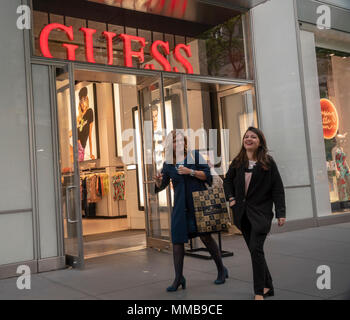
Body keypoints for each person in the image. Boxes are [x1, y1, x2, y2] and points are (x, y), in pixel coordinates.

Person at [155, 130, 228, 292]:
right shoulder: (168, 164)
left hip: (198, 204)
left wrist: (191, 172)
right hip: (180, 207)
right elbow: (163, 185)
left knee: (206, 237)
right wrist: (158, 181)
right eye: (175, 141)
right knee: (177, 241)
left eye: (181, 140)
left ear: (185, 142)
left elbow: (207, 176)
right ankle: (178, 278)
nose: (179, 143)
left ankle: (221, 269)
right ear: (170, 145)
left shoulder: (194, 156)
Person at [223, 127, 286, 300]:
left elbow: (277, 189)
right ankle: (269, 287)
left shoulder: (268, 162)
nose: (249, 139)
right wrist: (231, 198)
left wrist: (281, 212)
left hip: (261, 214)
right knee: (254, 251)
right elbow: (227, 181)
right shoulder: (237, 162)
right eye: (246, 136)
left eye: (253, 137)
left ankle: (259, 291)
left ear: (260, 142)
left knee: (256, 250)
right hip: (242, 214)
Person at [77, 87, 95, 161]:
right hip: (77, 145)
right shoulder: (79, 117)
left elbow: (90, 135)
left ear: (87, 100)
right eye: (81, 101)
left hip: (81, 147)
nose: (83, 103)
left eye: (84, 100)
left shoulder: (90, 112)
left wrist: (91, 153)